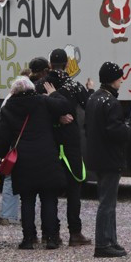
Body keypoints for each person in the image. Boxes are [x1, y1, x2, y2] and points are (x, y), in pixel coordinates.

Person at [0, 76, 76, 250]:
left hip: (22, 160)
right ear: (32, 88)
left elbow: (3, 138)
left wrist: (0, 156)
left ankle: (28, 238)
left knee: (27, 199)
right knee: (49, 198)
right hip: (46, 156)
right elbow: (65, 106)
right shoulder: (42, 101)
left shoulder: (8, 108)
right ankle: (51, 238)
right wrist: (54, 93)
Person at [85, 61, 131, 258]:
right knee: (107, 203)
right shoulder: (111, 102)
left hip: (97, 156)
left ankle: (110, 240)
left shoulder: (94, 99)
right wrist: (130, 127)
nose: (121, 81)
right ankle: (104, 243)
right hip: (110, 157)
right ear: (113, 79)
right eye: (119, 78)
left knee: (107, 201)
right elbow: (116, 132)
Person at [45, 48, 93, 246]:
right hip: (70, 143)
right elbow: (89, 104)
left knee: (50, 190)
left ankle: (51, 233)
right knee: (74, 187)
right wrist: (90, 89)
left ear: (50, 65)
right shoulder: (73, 85)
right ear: (67, 64)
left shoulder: (42, 84)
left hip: (49, 142)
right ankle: (75, 231)